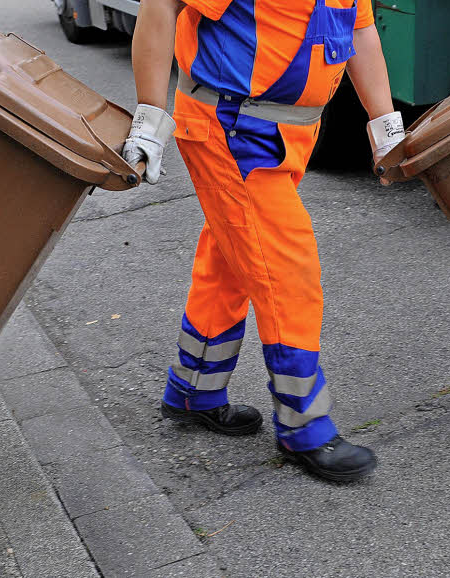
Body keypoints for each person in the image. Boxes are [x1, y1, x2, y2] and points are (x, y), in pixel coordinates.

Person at [123, 0, 404, 482]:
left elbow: (360, 31)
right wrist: (149, 119)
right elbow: (162, 4)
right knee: (287, 271)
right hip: (233, 129)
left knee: (234, 258)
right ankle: (304, 426)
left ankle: (193, 390)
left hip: (285, 134)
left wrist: (386, 129)